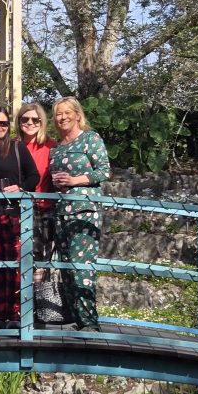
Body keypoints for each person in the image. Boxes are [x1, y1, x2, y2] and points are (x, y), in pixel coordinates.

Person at [49, 96, 111, 330]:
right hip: (61, 212)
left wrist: (75, 180)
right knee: (66, 267)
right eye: (58, 114)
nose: (62, 117)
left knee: (81, 266)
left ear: (77, 114)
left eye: (67, 113)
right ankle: (77, 319)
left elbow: (104, 171)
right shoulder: (56, 148)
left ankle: (90, 322)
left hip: (84, 211)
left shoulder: (89, 139)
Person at [0, 104, 38, 329]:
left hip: (14, 214)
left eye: (3, 123)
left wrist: (20, 188)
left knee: (16, 266)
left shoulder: (17, 148)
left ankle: (15, 314)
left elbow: (34, 176)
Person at [15, 101, 56, 284]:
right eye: (25, 119)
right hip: (16, 209)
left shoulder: (51, 146)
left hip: (42, 209)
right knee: (18, 258)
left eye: (35, 119)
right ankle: (19, 309)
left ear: (42, 122)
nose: (30, 123)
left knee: (40, 261)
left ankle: (40, 307)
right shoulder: (12, 145)